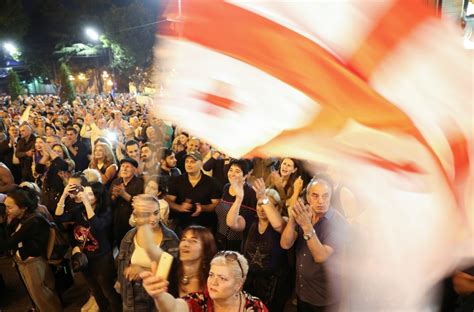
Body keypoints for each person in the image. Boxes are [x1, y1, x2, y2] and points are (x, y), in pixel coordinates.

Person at [280, 175, 348, 312]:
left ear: (331, 197)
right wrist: (293, 219)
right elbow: (285, 244)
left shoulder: (337, 222)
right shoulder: (305, 214)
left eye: (325, 196)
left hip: (324, 298)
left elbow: (321, 256)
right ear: (308, 197)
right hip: (303, 291)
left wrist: (306, 226)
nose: (321, 201)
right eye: (315, 196)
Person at [55, 182, 122, 312]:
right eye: (85, 192)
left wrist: (85, 203)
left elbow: (97, 227)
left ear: (98, 196)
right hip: (85, 257)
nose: (85, 195)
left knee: (108, 290)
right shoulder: (79, 210)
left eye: (90, 194)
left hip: (102, 257)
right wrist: (63, 196)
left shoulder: (105, 211)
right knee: (95, 289)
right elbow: (59, 218)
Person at [140, 250, 268, 312]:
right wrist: (159, 296)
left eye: (222, 278)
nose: (213, 282)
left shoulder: (255, 307)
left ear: (238, 284)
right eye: (211, 275)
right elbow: (174, 307)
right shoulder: (200, 300)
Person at [0, 186, 62, 311]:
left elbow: (6, 244)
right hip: (25, 262)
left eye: (10, 207)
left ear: (23, 208)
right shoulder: (20, 218)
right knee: (37, 296)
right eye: (5, 206)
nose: (6, 210)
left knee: (44, 298)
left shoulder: (33, 221)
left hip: (34, 265)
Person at [116, 194, 179, 312]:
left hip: (159, 297)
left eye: (156, 213)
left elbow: (174, 274)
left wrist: (142, 271)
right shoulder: (129, 237)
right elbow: (122, 268)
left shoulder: (170, 238)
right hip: (133, 295)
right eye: (147, 214)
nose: (153, 219)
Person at [242, 179, 290, 311]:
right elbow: (231, 223)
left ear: (278, 208)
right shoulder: (251, 220)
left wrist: (263, 197)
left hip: (273, 285)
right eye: (259, 204)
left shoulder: (283, 221)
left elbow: (278, 224)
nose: (262, 208)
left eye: (268, 205)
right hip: (251, 282)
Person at [166, 151, 221, 233]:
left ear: (201, 163)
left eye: (192, 162)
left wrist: (202, 208)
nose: (189, 164)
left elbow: (217, 204)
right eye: (186, 161)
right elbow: (168, 200)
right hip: (182, 226)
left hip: (205, 227)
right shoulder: (177, 180)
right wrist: (179, 207)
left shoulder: (212, 182)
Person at [215, 159, 257, 251]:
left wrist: (238, 199)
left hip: (238, 242)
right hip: (220, 238)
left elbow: (248, 222)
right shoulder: (226, 187)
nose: (232, 173)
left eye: (237, 171)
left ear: (245, 176)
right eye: (231, 170)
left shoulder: (250, 193)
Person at [110, 158, 144, 246]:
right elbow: (109, 203)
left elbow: (141, 205)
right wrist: (114, 197)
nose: (124, 169)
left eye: (127, 167)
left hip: (132, 223)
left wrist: (124, 195)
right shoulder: (116, 181)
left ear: (134, 169)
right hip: (117, 221)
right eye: (122, 166)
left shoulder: (140, 183)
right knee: (119, 245)